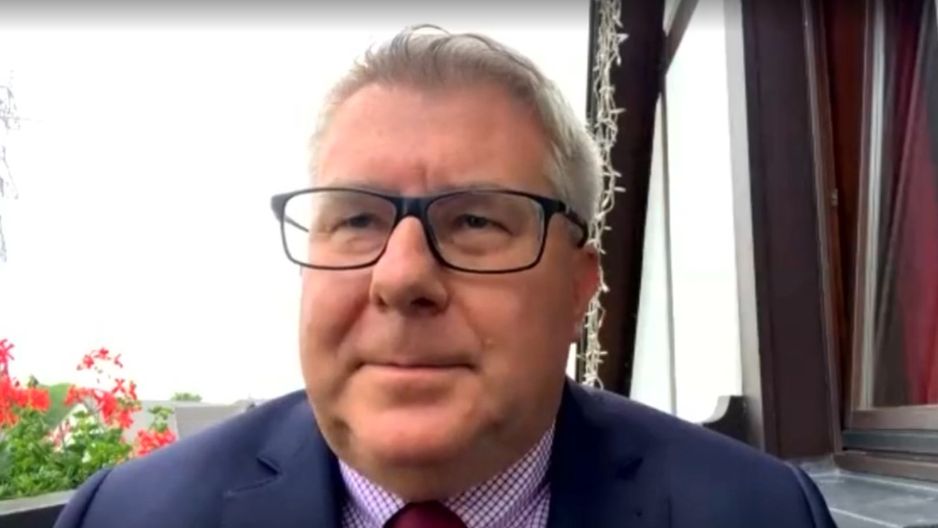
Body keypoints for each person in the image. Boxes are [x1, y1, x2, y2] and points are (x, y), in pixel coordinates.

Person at [54, 26, 835, 528]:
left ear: (578, 288)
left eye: (476, 222)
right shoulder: (127, 517)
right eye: (357, 220)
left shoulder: (761, 514)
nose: (401, 277)